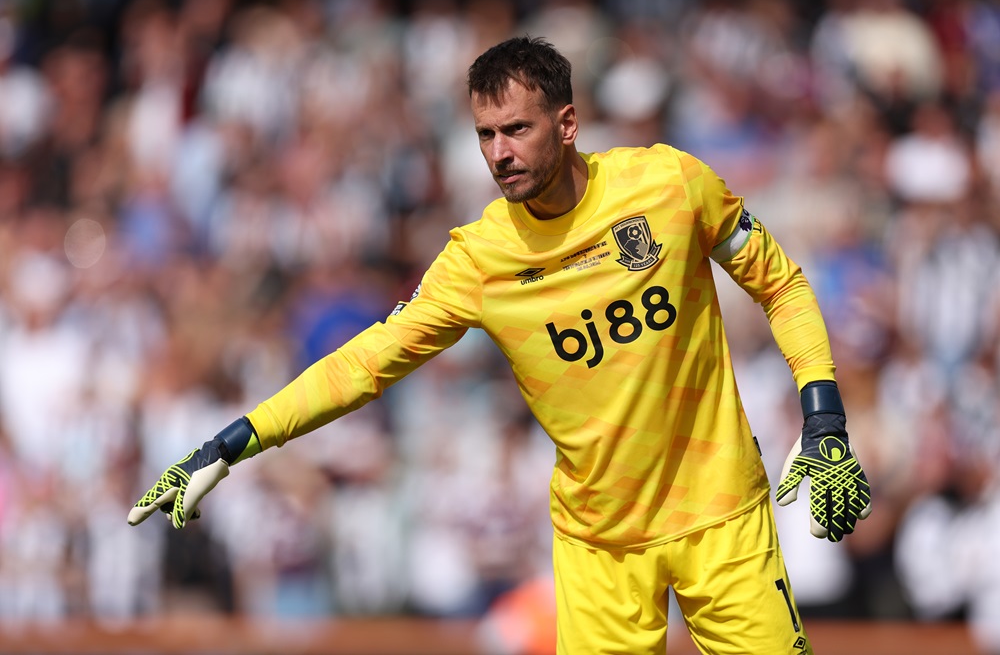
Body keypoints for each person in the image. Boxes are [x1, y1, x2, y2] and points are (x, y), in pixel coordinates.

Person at [129, 36, 872, 654]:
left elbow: (781, 284)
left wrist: (824, 414)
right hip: (600, 546)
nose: (499, 153)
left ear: (568, 122)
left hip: (722, 518)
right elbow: (365, 365)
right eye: (485, 135)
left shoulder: (671, 186)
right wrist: (235, 440)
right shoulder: (479, 259)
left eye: (516, 129)